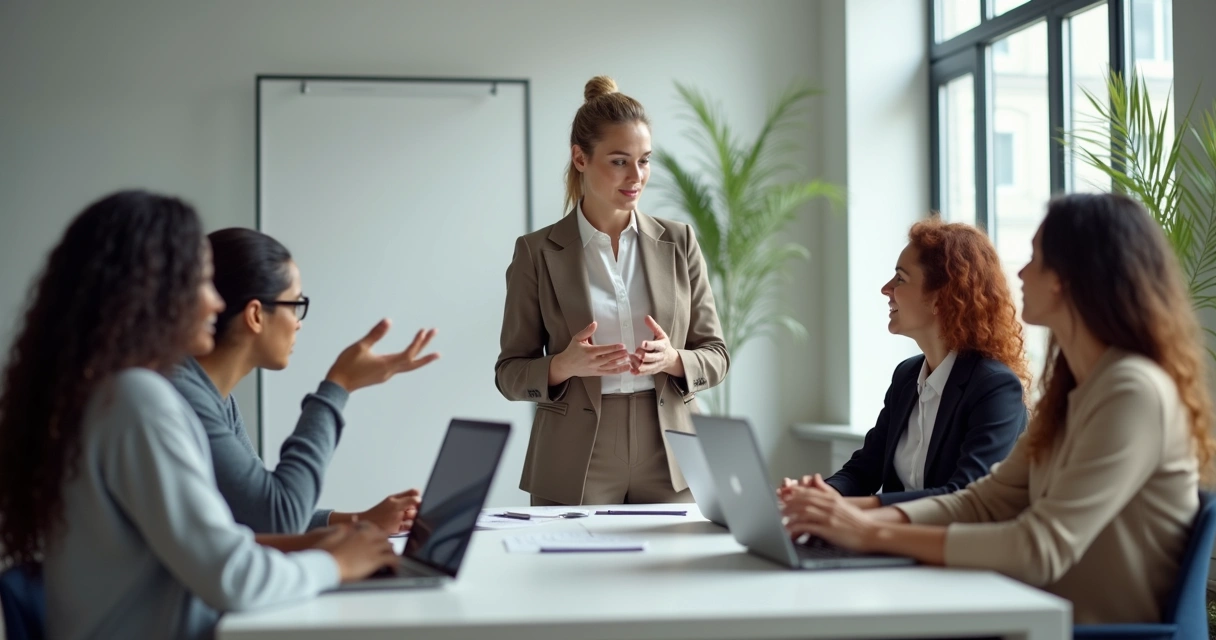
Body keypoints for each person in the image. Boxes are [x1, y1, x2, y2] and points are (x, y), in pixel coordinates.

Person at [781, 193, 1216, 624]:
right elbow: (981, 501)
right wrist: (842, 516)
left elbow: (1038, 547)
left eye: (1036, 258)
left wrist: (870, 531)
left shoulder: (1133, 391)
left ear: (1068, 277)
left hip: (1092, 634)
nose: (1021, 272)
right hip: (1036, 619)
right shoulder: (1075, 392)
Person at [0, 190, 398, 640]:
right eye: (201, 283)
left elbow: (213, 542)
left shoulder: (110, 393)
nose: (214, 302)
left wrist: (327, 540)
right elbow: (234, 575)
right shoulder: (137, 401)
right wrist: (333, 564)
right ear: (155, 291)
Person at [495, 76, 729, 506]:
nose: (636, 176)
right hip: (576, 454)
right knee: (571, 573)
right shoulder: (537, 252)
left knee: (677, 573)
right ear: (580, 158)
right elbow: (509, 373)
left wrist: (676, 360)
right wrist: (562, 365)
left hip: (672, 451)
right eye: (619, 161)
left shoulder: (679, 242)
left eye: (644, 160)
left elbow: (716, 354)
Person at [170, 227, 438, 534]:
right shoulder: (184, 396)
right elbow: (278, 517)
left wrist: (362, 521)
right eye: (295, 305)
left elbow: (259, 509)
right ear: (255, 315)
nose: (298, 323)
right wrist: (339, 385)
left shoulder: (213, 397)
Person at [786, 218, 1029, 506]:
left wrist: (845, 509)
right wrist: (818, 494)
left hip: (954, 549)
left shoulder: (994, 387)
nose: (886, 289)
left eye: (900, 278)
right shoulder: (906, 375)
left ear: (941, 297)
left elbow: (964, 495)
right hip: (891, 543)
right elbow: (864, 469)